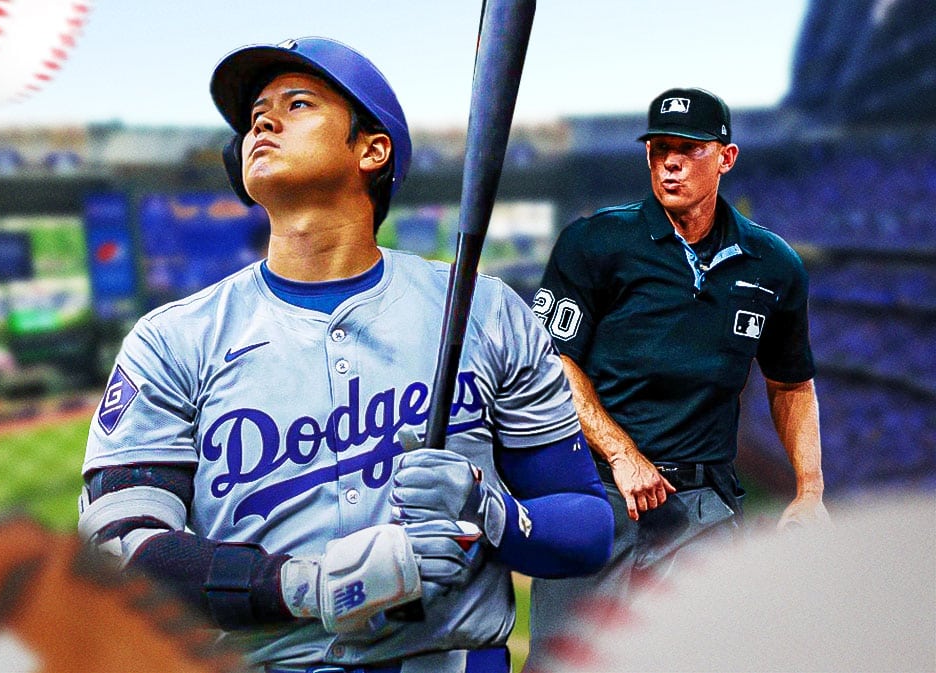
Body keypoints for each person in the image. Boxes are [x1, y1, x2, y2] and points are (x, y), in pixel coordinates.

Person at [79, 37, 614, 673]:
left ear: (372, 149)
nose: (263, 121)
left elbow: (587, 528)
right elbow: (117, 550)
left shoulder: (485, 312)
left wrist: (492, 513)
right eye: (255, 115)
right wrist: (308, 586)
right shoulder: (173, 339)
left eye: (297, 103)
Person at [525, 87, 831, 667]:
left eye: (688, 149)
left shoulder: (774, 265)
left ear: (726, 157)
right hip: (600, 497)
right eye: (660, 148)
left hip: (702, 506)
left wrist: (809, 489)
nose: (670, 161)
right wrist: (621, 453)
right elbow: (552, 361)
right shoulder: (596, 242)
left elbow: (791, 383)